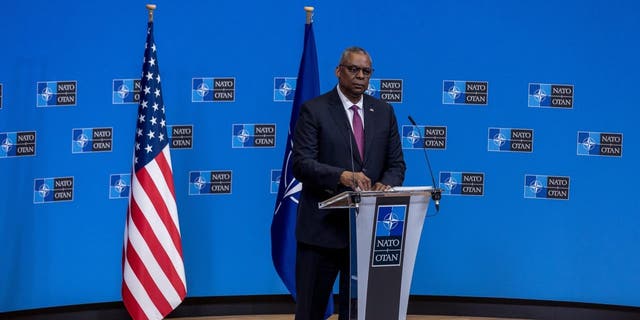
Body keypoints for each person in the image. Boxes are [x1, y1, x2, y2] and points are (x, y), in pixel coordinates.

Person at [292, 46, 406, 320]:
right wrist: (341, 175)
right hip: (321, 232)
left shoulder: (384, 111)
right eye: (353, 69)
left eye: (366, 72)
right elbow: (301, 164)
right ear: (338, 71)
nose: (360, 76)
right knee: (310, 312)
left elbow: (396, 165)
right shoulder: (315, 110)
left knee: (358, 313)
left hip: (365, 234)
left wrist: (385, 185)